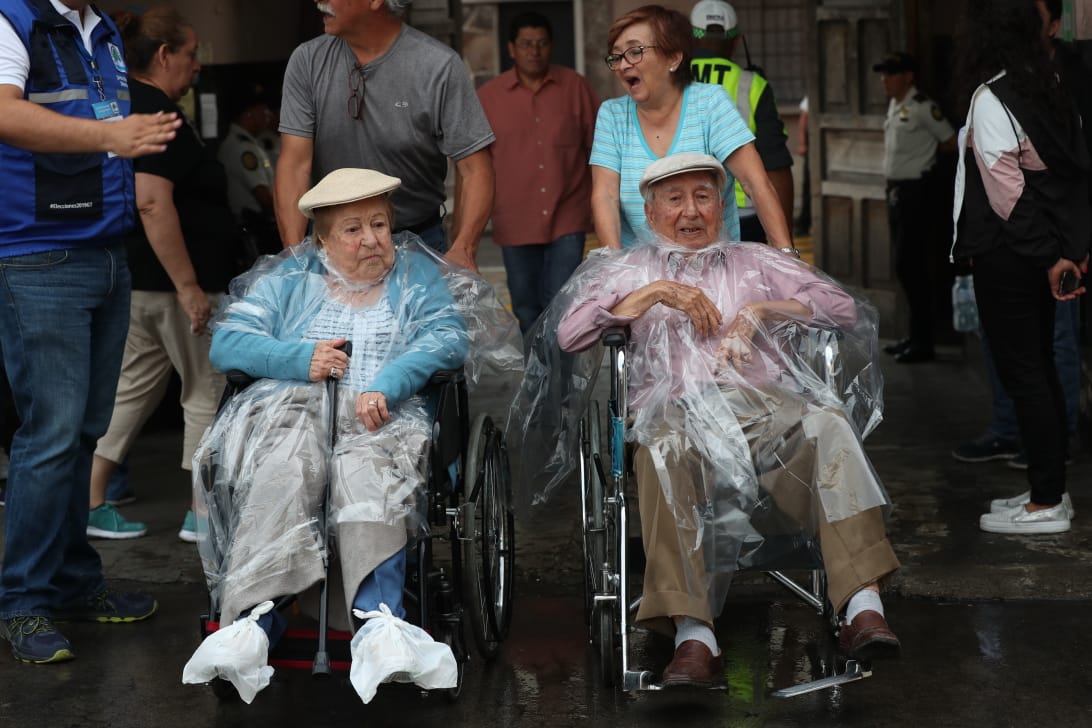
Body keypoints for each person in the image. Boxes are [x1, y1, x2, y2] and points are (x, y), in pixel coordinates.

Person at [521, 152, 900, 687]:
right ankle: (693, 635)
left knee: (828, 424)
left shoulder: (755, 262)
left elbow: (840, 309)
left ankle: (862, 606)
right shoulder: (631, 268)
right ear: (650, 214)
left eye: (703, 196)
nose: (690, 211)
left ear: (722, 206)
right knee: (661, 451)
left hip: (761, 405)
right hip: (672, 410)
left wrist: (761, 311)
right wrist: (652, 294)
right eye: (674, 199)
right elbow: (570, 334)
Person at [186, 168, 471, 703]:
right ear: (320, 237)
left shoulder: (414, 275)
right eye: (352, 229)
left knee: (365, 469)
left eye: (381, 224)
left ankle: (379, 625)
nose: (371, 240)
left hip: (384, 417)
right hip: (293, 416)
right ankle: (253, 626)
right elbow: (228, 343)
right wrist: (299, 358)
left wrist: (389, 381)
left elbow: (447, 337)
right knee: (285, 466)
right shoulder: (289, 281)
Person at [0, 0, 182, 664]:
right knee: (49, 436)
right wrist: (113, 139)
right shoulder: (13, 19)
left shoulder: (101, 27)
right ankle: (22, 600)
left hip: (104, 250)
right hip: (40, 253)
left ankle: (72, 582)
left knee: (80, 432)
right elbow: (3, 113)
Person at [85, 8, 236, 544]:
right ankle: (201, 514)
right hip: (175, 284)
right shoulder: (154, 112)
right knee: (203, 390)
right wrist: (190, 286)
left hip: (142, 282)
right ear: (165, 55)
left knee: (130, 392)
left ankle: (93, 500)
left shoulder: (126, 106)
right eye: (192, 53)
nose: (197, 66)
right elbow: (152, 202)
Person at [952, 0, 1089, 535]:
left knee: (1024, 372)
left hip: (1011, 255)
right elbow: (1072, 178)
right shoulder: (1049, 85)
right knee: (1040, 368)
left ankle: (1048, 500)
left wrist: (1048, 255)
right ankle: (1044, 488)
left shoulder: (993, 98)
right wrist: (1064, 251)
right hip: (1040, 252)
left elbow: (1007, 196)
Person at [274, 0, 495, 272]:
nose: (320, 1)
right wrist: (294, 257)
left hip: (418, 242)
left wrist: (463, 249)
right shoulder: (307, 61)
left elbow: (475, 168)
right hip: (333, 245)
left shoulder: (439, 66)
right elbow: (294, 165)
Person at [590, 5, 794, 256]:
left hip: (716, 269)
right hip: (642, 275)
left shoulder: (709, 103)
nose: (622, 65)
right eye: (617, 57)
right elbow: (605, 196)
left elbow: (755, 182)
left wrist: (786, 256)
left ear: (674, 58)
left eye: (635, 52)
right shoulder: (612, 115)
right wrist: (614, 265)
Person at [476, 12, 600, 335]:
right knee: (525, 305)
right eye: (527, 44)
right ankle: (540, 380)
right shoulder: (488, 97)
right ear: (511, 49)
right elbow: (475, 166)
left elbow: (599, 150)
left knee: (561, 304)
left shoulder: (575, 87)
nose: (535, 51)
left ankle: (562, 384)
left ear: (552, 46)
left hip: (568, 216)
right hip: (514, 220)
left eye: (542, 44)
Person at [874, 51, 957, 364]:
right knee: (904, 266)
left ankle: (924, 342)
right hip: (897, 192)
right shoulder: (897, 104)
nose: (885, 79)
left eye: (892, 73)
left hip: (916, 193)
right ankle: (913, 336)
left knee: (913, 266)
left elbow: (950, 140)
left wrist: (927, 161)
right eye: (883, 74)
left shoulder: (923, 106)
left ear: (908, 76)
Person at [689, 0, 793, 243]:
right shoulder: (752, 84)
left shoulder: (669, 79)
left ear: (691, 39)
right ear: (735, 42)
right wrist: (786, 242)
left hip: (681, 214)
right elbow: (776, 164)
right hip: (744, 216)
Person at [218, 83, 281, 258]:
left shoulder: (248, 143)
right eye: (262, 112)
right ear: (248, 115)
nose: (267, 117)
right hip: (255, 227)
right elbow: (262, 195)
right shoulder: (243, 149)